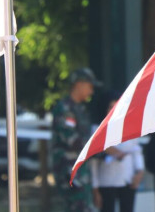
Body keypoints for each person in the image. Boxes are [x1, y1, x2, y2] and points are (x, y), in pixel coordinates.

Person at [51, 67, 102, 212]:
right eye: (90, 86)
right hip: (69, 172)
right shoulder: (65, 109)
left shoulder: (80, 109)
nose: (91, 91)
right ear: (79, 84)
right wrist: (98, 149)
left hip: (81, 173)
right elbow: (72, 139)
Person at [91, 98, 145, 212]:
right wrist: (95, 189)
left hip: (127, 179)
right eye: (111, 107)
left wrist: (140, 172)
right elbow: (93, 161)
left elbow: (136, 151)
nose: (114, 110)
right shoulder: (97, 130)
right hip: (107, 181)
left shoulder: (130, 127)